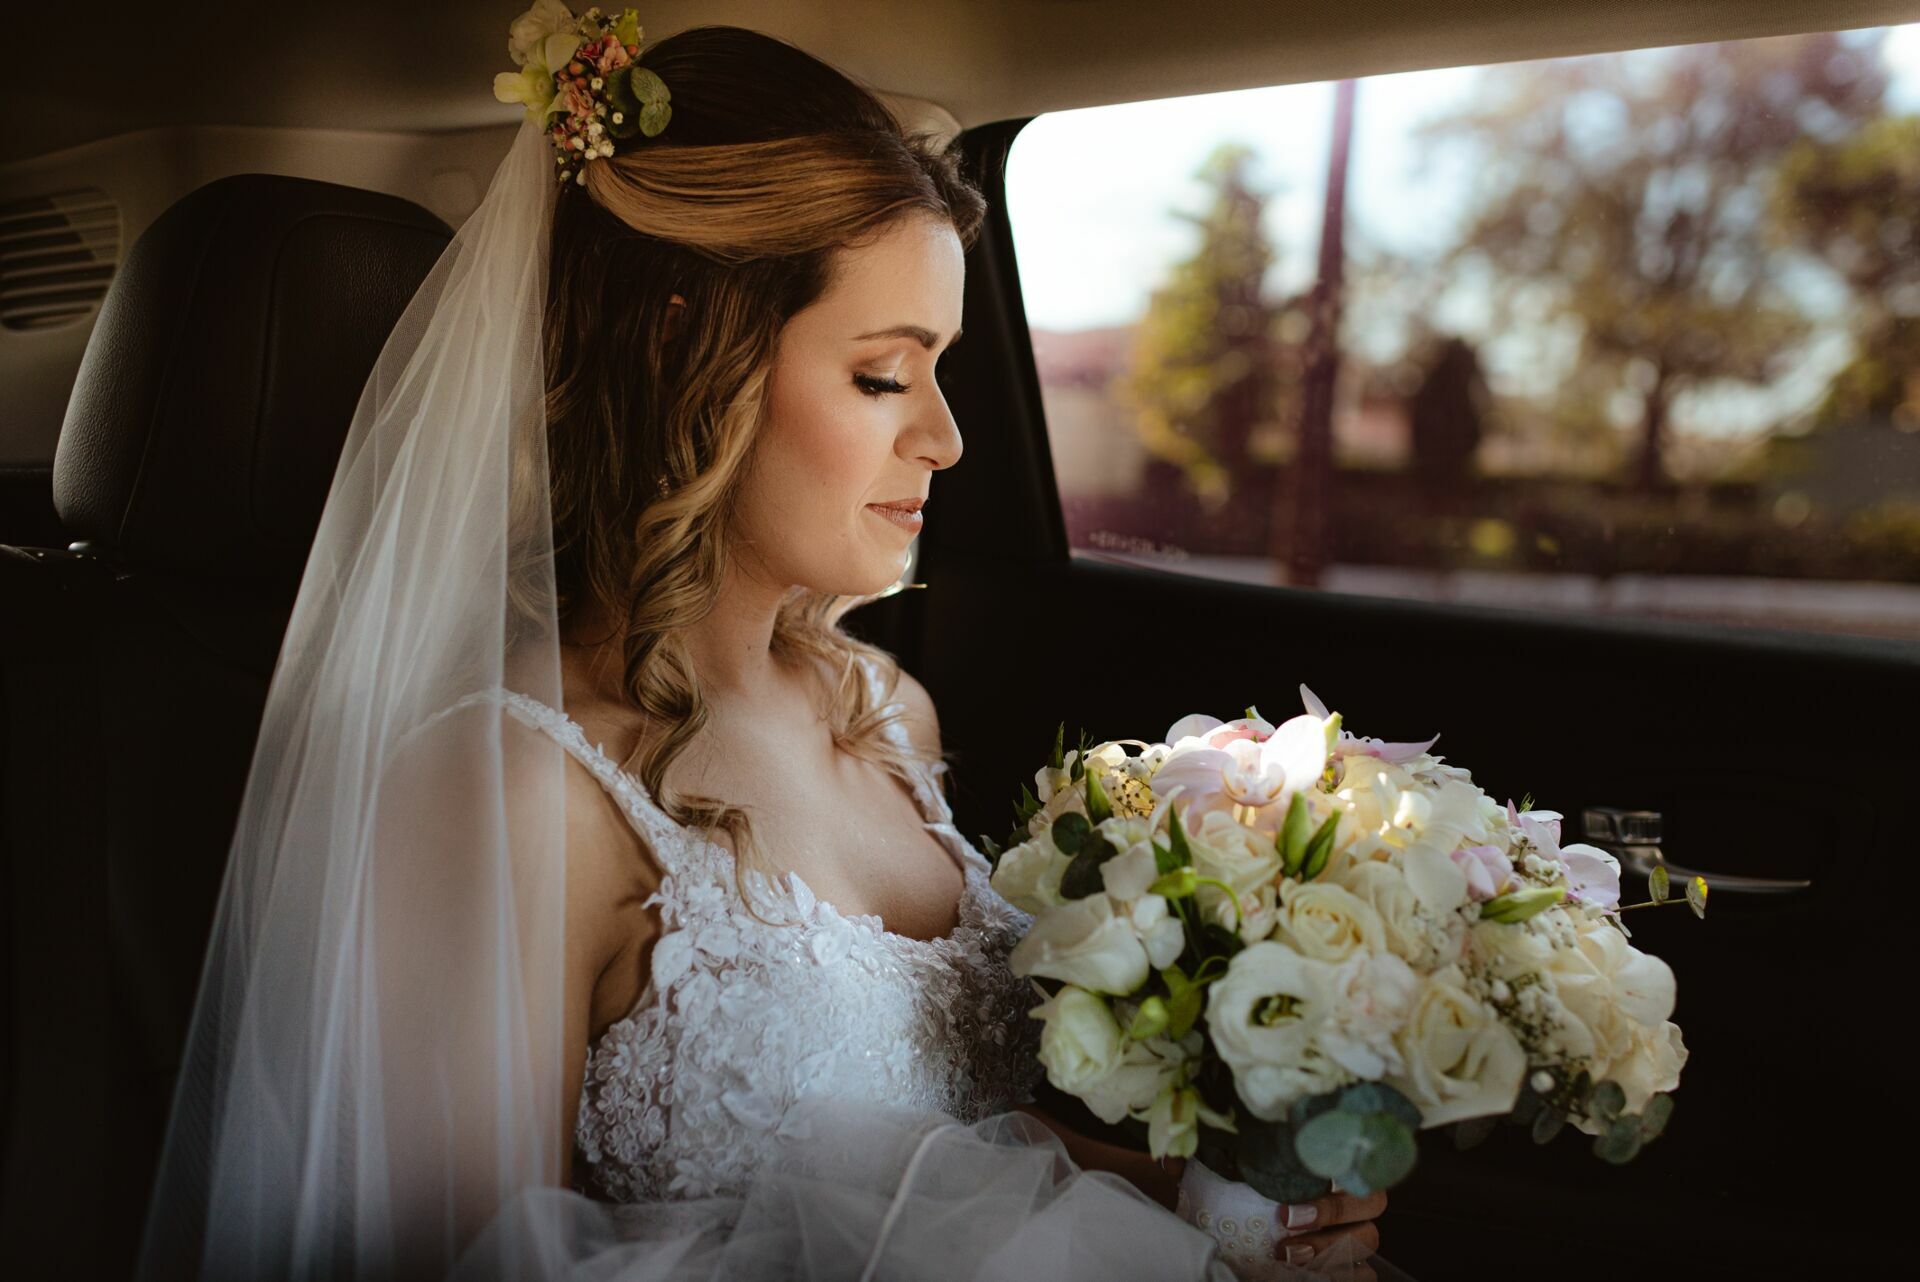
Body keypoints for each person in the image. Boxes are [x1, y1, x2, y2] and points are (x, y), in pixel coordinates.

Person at [135, 8, 1398, 1280]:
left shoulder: (890, 712)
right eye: (881, 375)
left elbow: (957, 1144)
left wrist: (1181, 1208)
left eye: (941, 368)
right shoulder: (521, 788)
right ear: (699, 352)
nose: (948, 439)